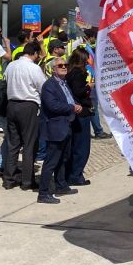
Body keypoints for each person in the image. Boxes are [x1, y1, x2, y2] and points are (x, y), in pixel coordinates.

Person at [37, 56, 81, 204]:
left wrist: (76, 105)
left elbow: (69, 99)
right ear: (53, 69)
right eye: (60, 65)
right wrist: (71, 107)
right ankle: (43, 193)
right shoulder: (49, 85)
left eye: (65, 65)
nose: (64, 67)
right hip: (55, 127)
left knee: (63, 158)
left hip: (66, 125)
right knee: (51, 161)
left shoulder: (64, 83)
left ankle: (61, 185)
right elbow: (53, 106)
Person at [3, 46, 44, 190]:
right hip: (28, 106)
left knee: (13, 144)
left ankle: (9, 179)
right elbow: (42, 87)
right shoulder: (34, 68)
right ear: (34, 53)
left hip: (12, 105)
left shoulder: (11, 66)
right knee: (29, 144)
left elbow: (6, 82)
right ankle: (27, 181)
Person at [64, 47, 94, 186]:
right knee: (81, 146)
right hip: (81, 112)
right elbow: (78, 91)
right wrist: (88, 86)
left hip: (74, 112)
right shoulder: (77, 74)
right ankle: (76, 175)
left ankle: (71, 173)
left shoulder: (69, 72)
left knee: (74, 145)